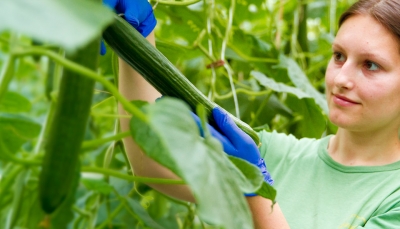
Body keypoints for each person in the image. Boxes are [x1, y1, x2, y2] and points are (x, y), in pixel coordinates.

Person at [104, 0, 400, 228]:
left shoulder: (393, 196)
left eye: (370, 65)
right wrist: (138, 37)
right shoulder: (276, 154)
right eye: (339, 56)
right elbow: (153, 164)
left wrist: (255, 191)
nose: (340, 79)